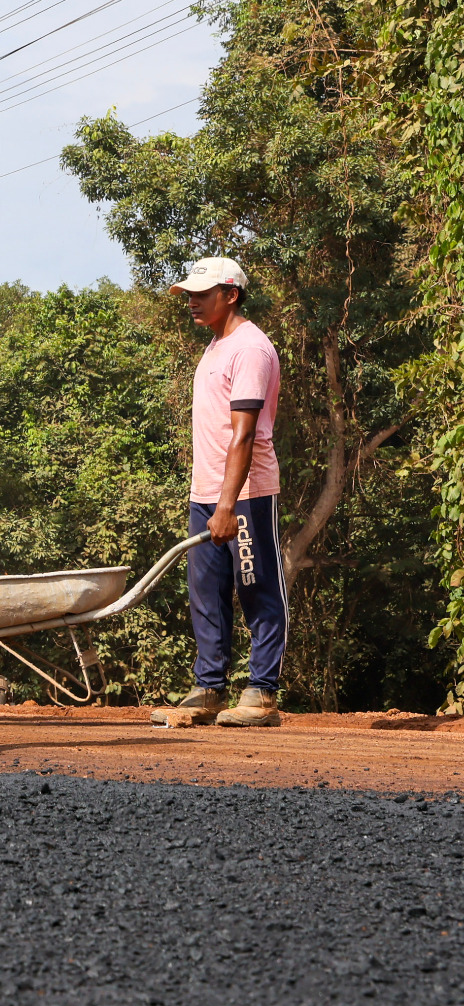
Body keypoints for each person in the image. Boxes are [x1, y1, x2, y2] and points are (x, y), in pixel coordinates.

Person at [152, 256, 288, 729]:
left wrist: (228, 504)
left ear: (230, 294)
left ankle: (262, 692)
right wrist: (209, 497)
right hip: (206, 490)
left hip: (246, 493)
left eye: (201, 294)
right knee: (206, 593)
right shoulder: (215, 346)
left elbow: (245, 435)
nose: (191, 301)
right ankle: (209, 687)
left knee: (257, 587)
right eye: (189, 294)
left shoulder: (250, 349)